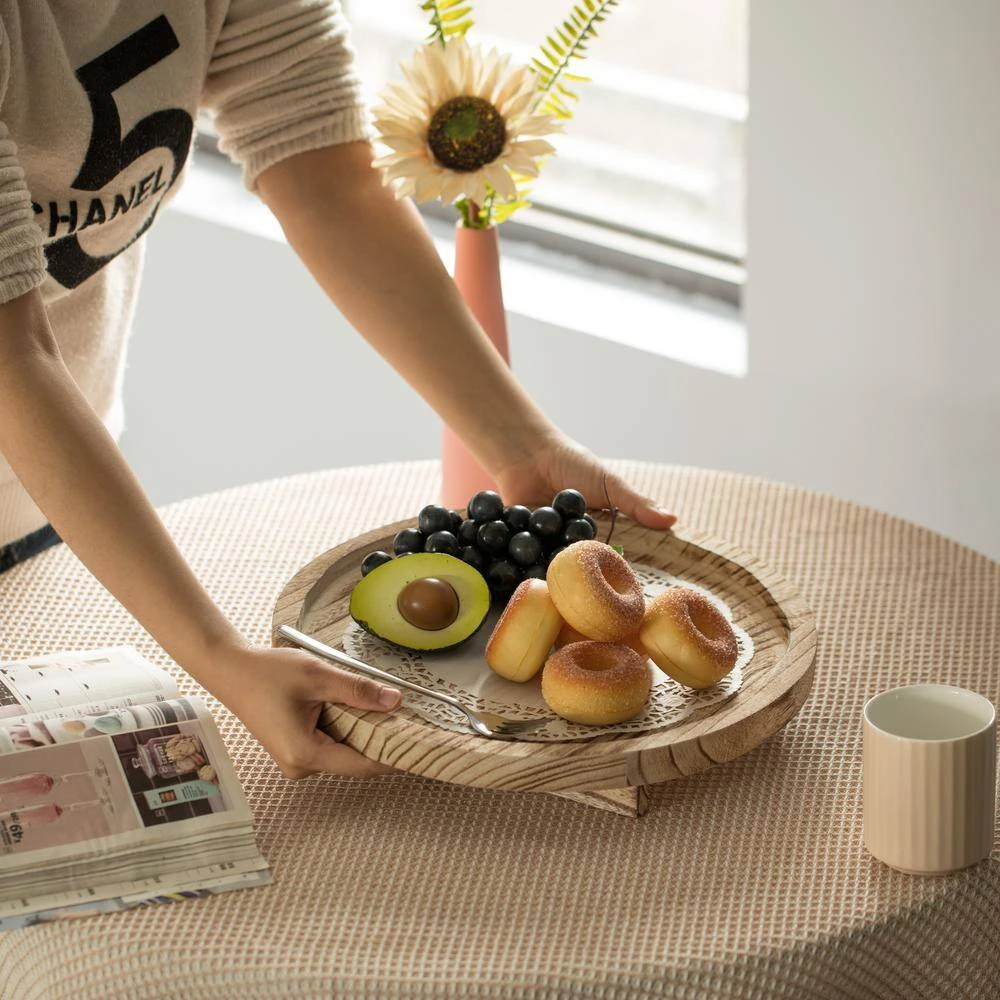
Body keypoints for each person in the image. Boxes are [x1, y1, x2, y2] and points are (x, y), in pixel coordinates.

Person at [0, 0, 676, 781]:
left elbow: (329, 181)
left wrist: (525, 448)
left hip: (43, 500)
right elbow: (14, 367)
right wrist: (220, 658)